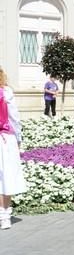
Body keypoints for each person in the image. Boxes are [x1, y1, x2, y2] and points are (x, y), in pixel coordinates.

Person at [0, 68, 27, 230]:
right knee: (7, 176)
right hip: (5, 138)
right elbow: (14, 118)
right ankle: (5, 215)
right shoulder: (6, 92)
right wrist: (18, 138)